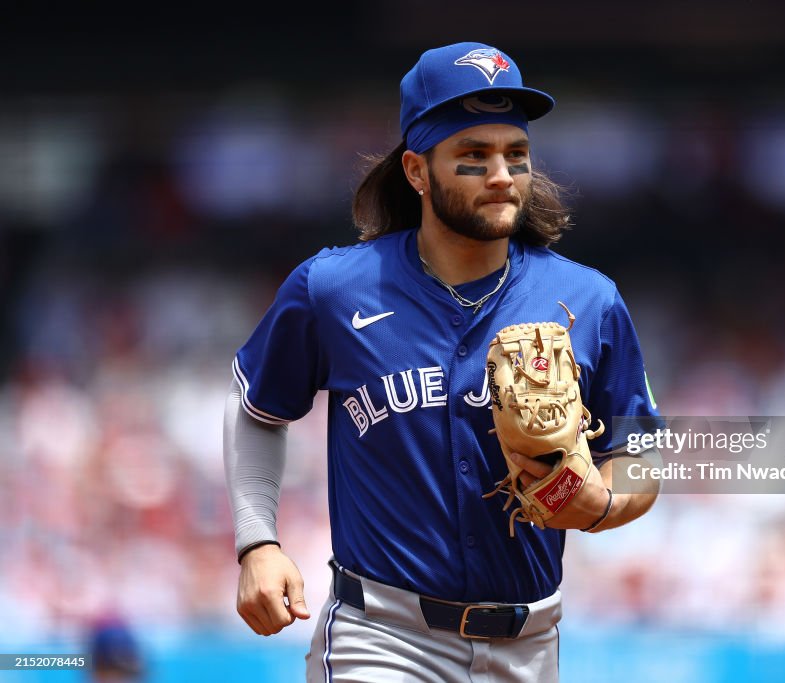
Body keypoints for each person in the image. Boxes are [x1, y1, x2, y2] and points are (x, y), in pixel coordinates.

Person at [224, 41, 660, 682]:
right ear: (417, 171)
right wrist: (256, 544)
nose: (502, 175)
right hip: (384, 639)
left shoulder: (587, 300)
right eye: (473, 157)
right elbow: (259, 410)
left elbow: (639, 458)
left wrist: (601, 503)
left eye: (516, 154)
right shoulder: (336, 288)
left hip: (530, 644)